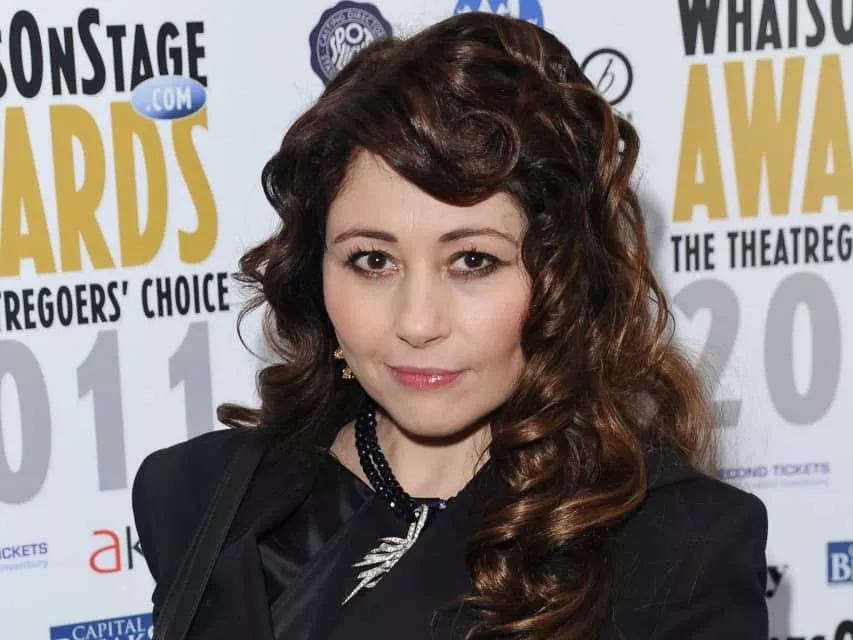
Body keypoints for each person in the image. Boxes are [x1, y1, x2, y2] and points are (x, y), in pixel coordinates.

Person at [132, 11, 769, 640]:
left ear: (563, 277)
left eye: (473, 261)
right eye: (372, 260)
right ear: (315, 271)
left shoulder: (676, 550)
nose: (417, 322)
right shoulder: (200, 497)